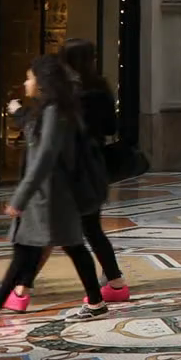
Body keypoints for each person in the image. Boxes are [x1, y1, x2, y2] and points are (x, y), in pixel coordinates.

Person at [0, 56, 110, 322]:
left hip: (51, 196)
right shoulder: (52, 109)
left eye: (30, 77)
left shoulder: (56, 111)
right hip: (48, 195)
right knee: (40, 248)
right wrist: (21, 113)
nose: (26, 82)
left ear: (42, 81)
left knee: (58, 247)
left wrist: (20, 197)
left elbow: (45, 156)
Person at [57, 39, 128, 303]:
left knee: (50, 228)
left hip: (72, 165)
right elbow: (111, 127)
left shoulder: (70, 93)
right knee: (90, 226)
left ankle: (19, 288)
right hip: (96, 164)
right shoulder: (102, 88)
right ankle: (115, 279)